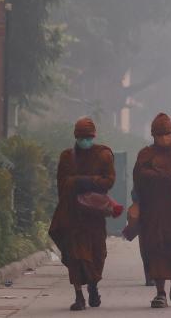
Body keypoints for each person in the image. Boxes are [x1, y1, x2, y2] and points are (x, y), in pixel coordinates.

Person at [48, 117, 116, 311]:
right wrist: (73, 185)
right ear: (75, 137)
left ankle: (93, 287)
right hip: (73, 215)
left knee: (96, 255)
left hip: (94, 216)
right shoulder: (67, 157)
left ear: (93, 136)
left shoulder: (103, 155)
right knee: (75, 256)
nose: (84, 140)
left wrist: (85, 181)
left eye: (88, 137)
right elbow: (61, 184)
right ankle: (79, 296)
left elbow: (109, 181)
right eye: (81, 137)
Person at [133, 113, 171, 308]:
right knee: (155, 248)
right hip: (153, 211)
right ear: (153, 136)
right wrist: (168, 175)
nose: (164, 139)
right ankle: (160, 293)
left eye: (167, 134)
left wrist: (159, 174)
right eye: (159, 135)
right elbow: (139, 177)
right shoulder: (146, 154)